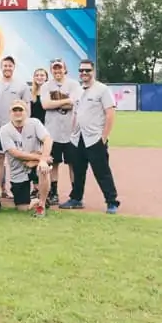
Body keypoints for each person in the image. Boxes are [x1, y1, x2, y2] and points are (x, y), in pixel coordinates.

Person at [60, 60, 121, 214]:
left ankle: (111, 201)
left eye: (87, 70)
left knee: (102, 172)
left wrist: (104, 137)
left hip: (95, 138)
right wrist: (73, 132)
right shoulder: (79, 91)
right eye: (81, 70)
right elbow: (76, 113)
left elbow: (110, 113)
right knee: (78, 171)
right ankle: (76, 198)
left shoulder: (102, 89)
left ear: (93, 71)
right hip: (78, 138)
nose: (84, 73)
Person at [0, 99, 53, 216]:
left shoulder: (35, 123)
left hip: (35, 166)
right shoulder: (4, 130)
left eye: (20, 110)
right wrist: (38, 158)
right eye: (15, 110)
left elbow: (47, 139)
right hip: (18, 170)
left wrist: (42, 160)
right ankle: (37, 200)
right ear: (10, 113)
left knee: (43, 169)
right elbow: (15, 153)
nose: (18, 112)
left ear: (26, 112)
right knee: (22, 208)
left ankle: (41, 205)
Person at [40, 59, 81, 206]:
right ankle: (54, 192)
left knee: (73, 164)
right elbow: (45, 104)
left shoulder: (74, 84)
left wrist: (55, 103)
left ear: (65, 69)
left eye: (60, 68)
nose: (57, 71)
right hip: (52, 131)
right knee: (54, 163)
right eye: (54, 69)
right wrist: (66, 101)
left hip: (71, 132)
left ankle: (76, 194)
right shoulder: (46, 86)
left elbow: (75, 104)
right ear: (51, 71)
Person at [0, 56, 31, 202]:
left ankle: (19, 188)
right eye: (5, 65)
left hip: (17, 129)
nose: (7, 68)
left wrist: (26, 125)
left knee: (18, 158)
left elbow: (27, 107)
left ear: (14, 67)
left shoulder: (22, 86)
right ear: (1, 67)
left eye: (10, 66)